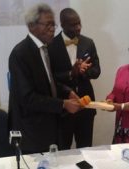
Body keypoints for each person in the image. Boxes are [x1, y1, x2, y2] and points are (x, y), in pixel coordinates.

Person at [8, 3, 81, 154]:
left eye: (53, 24)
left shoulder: (45, 48)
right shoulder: (20, 54)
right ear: (31, 26)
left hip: (50, 126)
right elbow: (27, 98)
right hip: (32, 131)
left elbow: (49, 81)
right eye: (47, 24)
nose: (53, 29)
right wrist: (63, 104)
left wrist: (67, 91)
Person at [49, 8, 101, 150]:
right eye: (73, 25)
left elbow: (97, 71)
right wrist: (71, 73)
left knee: (86, 148)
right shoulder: (51, 45)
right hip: (63, 107)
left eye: (79, 23)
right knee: (62, 149)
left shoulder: (88, 42)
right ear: (62, 24)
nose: (78, 27)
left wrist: (83, 71)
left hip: (86, 105)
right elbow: (50, 78)